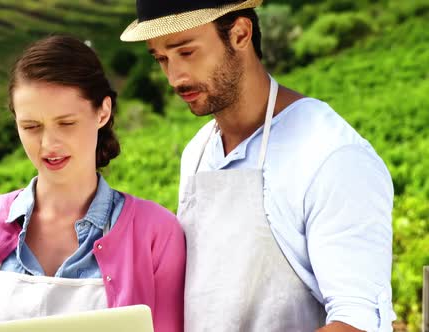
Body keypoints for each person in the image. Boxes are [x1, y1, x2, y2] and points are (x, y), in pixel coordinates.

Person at [121, 1, 395, 331]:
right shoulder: (198, 151)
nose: (174, 78)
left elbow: (358, 322)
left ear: (240, 33)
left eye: (187, 52)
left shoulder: (332, 155)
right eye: (162, 59)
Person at [0, 35, 185, 332]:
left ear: (102, 112)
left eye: (66, 123)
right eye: (31, 127)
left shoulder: (156, 232)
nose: (48, 144)